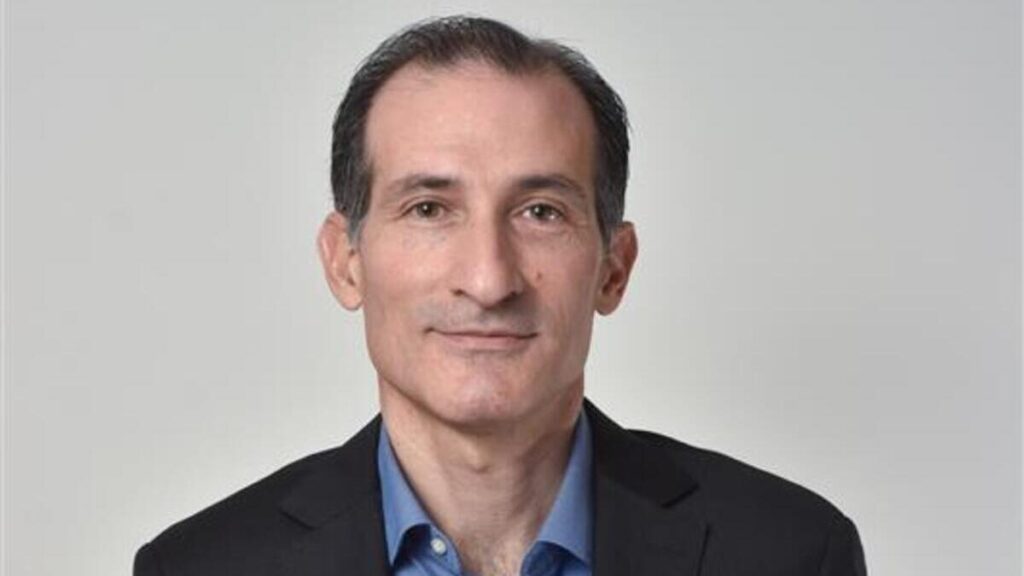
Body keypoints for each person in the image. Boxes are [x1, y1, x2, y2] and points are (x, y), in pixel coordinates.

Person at [134, 15, 866, 576]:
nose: (488, 279)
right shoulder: (201, 568)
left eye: (540, 212)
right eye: (429, 209)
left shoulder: (792, 554)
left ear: (613, 269)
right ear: (346, 262)